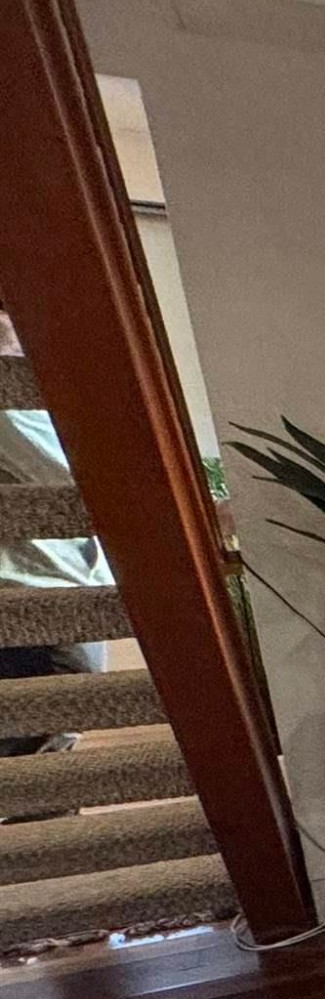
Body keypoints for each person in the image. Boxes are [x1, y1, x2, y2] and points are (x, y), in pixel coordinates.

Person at [0, 311, 104, 759]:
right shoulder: (9, 396)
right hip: (36, 594)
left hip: (49, 587)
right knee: (40, 750)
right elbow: (70, 479)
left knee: (47, 743)